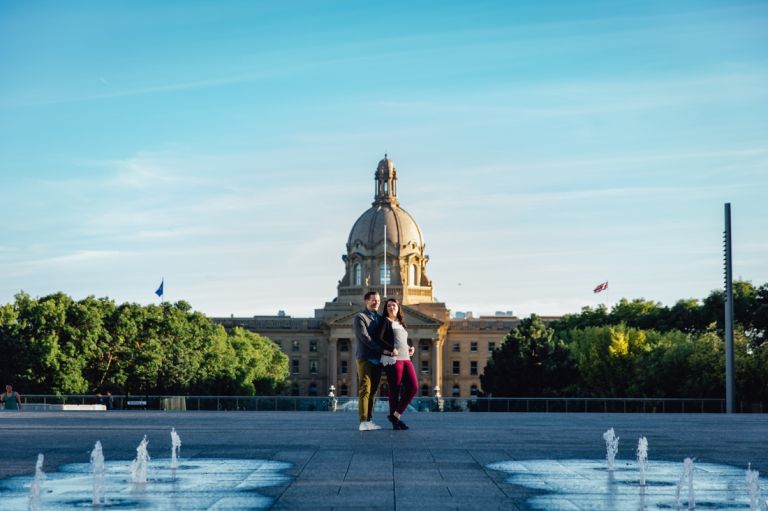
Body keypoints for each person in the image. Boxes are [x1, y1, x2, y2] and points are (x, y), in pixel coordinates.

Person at [354, 291, 397, 431]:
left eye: (378, 300)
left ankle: (369, 420)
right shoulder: (360, 317)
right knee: (365, 389)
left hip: (377, 360)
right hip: (365, 358)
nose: (376, 302)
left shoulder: (380, 318)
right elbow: (365, 338)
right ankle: (362, 421)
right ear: (366, 301)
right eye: (373, 300)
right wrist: (383, 350)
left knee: (373, 391)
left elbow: (386, 338)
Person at [378, 298, 417, 430]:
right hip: (394, 359)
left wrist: (410, 348)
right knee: (395, 389)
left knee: (413, 387)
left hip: (406, 358)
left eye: (393, 305)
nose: (391, 307)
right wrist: (391, 348)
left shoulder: (401, 323)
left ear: (398, 307)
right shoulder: (385, 321)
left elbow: (402, 341)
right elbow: (380, 338)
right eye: (388, 306)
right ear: (386, 309)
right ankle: (396, 421)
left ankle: (395, 415)